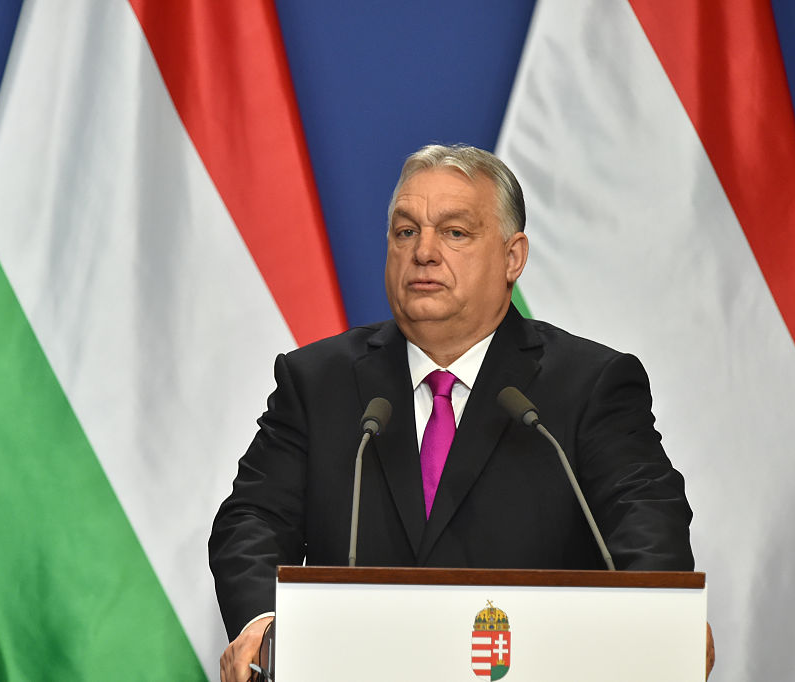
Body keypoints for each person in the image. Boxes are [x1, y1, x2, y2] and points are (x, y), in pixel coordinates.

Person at [209, 144, 701, 682]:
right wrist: (263, 622)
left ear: (513, 257)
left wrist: (662, 616)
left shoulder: (590, 385)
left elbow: (646, 520)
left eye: (455, 232)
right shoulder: (317, 381)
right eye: (406, 231)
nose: (424, 252)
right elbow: (252, 519)